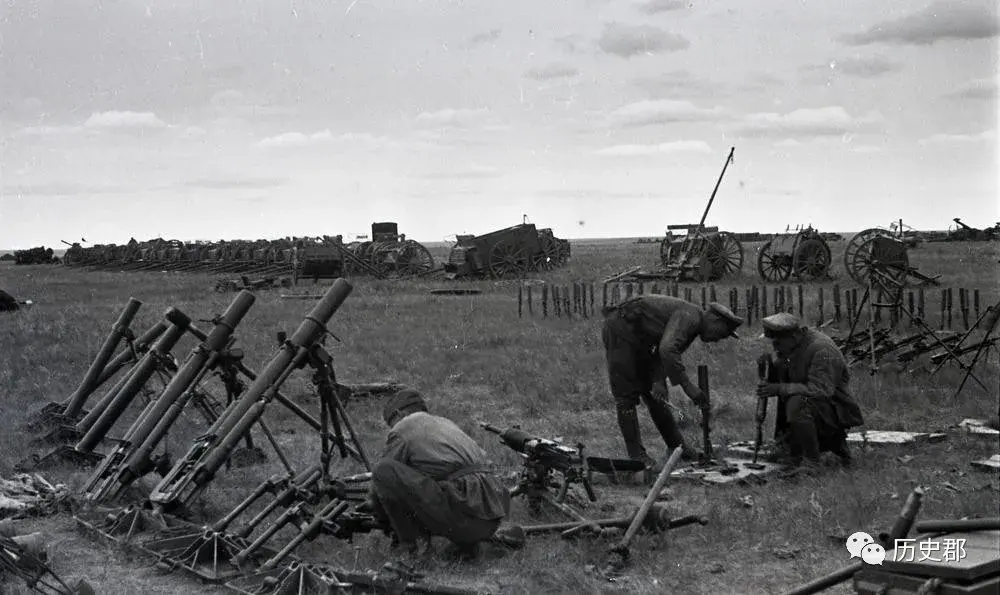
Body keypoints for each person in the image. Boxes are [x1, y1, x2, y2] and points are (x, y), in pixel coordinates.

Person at [366, 389, 518, 561]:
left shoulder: (404, 427)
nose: (391, 429)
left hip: (463, 511)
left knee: (384, 470)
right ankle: (470, 546)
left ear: (400, 414)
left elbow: (384, 480)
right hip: (493, 513)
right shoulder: (445, 423)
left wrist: (379, 514)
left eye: (391, 423)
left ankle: (413, 549)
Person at [601, 295, 744, 469]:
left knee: (657, 396)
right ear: (715, 320)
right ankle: (636, 456)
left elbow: (662, 352)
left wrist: (658, 381)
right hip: (620, 331)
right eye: (722, 334)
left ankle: (678, 447)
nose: (717, 340)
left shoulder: (693, 325)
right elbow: (668, 349)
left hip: (640, 339)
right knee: (625, 396)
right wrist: (689, 388)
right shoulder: (690, 317)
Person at [756, 312, 864, 472]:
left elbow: (820, 390)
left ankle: (812, 462)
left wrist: (779, 388)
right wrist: (769, 370)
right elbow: (786, 375)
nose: (774, 347)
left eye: (777, 342)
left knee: (797, 401)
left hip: (834, 410)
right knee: (792, 397)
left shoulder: (822, 349)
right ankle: (792, 449)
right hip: (815, 408)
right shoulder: (793, 348)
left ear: (793, 337)